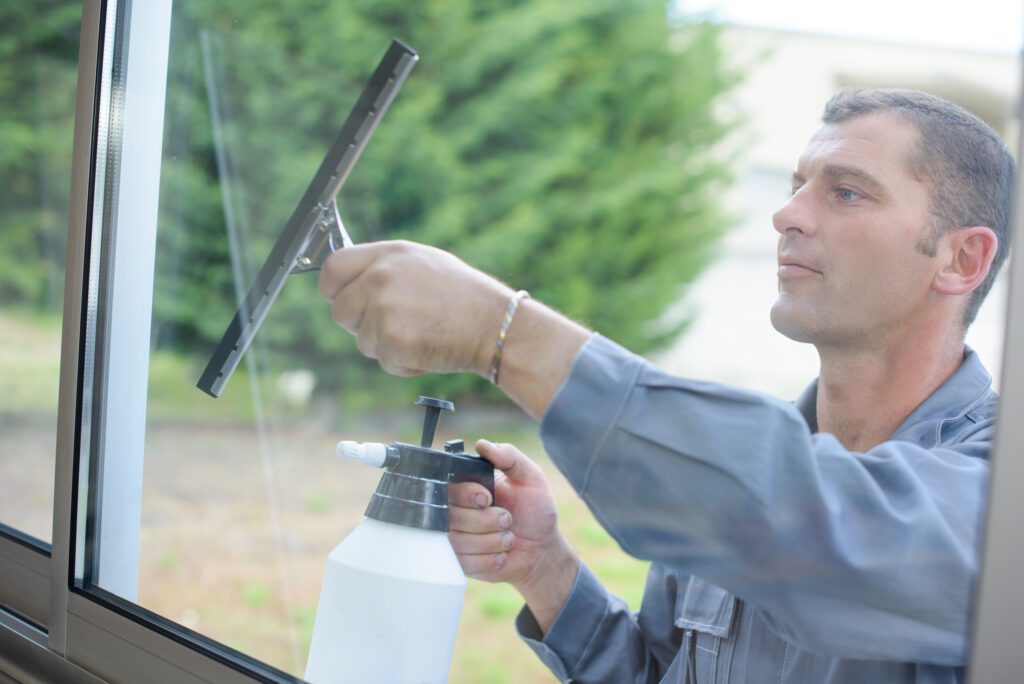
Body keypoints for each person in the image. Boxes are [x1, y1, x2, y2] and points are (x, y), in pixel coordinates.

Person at [318, 88, 1015, 682]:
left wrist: (503, 333)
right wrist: (546, 570)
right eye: (796, 185)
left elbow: (823, 531)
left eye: (846, 192)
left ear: (962, 259)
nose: (789, 214)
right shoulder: (726, 477)